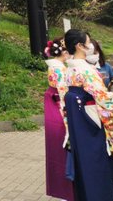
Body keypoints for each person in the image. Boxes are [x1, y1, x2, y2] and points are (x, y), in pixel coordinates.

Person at [64, 29, 113, 201]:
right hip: (92, 122)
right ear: (80, 46)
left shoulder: (69, 69)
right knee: (102, 162)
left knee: (86, 163)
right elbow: (103, 100)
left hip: (79, 121)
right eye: (88, 42)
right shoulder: (87, 70)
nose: (90, 46)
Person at [43, 38, 75, 201]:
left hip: (53, 104)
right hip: (60, 106)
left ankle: (62, 190)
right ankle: (66, 191)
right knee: (64, 146)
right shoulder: (60, 69)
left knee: (57, 147)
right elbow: (64, 92)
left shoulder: (56, 66)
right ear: (64, 52)